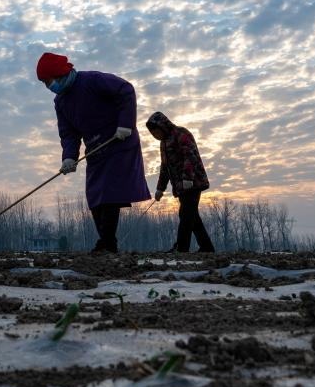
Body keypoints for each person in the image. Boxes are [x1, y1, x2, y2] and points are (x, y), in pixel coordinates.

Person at [36, 52, 151, 253]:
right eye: (45, 83)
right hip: (95, 150)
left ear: (59, 74)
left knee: (110, 192)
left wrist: (125, 124)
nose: (48, 86)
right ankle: (106, 241)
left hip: (118, 140)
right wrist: (69, 157)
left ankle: (107, 242)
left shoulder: (92, 80)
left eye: (48, 81)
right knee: (95, 195)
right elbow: (68, 133)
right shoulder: (60, 102)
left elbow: (125, 90)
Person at [146, 111, 215, 253]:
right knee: (192, 216)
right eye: (153, 134)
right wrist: (160, 189)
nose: (155, 136)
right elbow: (165, 167)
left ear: (162, 126)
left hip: (193, 182)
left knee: (185, 214)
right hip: (181, 186)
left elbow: (189, 156)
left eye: (156, 132)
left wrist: (188, 178)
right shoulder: (164, 143)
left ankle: (182, 248)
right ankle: (207, 248)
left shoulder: (181, 134)